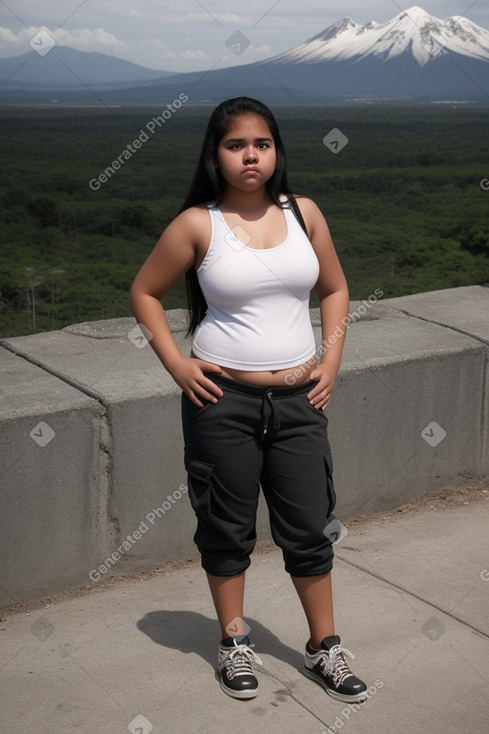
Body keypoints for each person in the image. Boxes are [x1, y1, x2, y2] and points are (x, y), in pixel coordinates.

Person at [130, 97, 367, 703]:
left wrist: (331, 357)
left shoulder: (303, 213)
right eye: (236, 145)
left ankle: (324, 647)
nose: (250, 155)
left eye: (261, 144)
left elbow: (335, 288)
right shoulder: (196, 224)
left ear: (276, 151)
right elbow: (145, 292)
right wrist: (177, 364)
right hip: (223, 402)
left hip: (298, 402)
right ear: (216, 155)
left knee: (309, 527)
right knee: (226, 527)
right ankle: (234, 641)